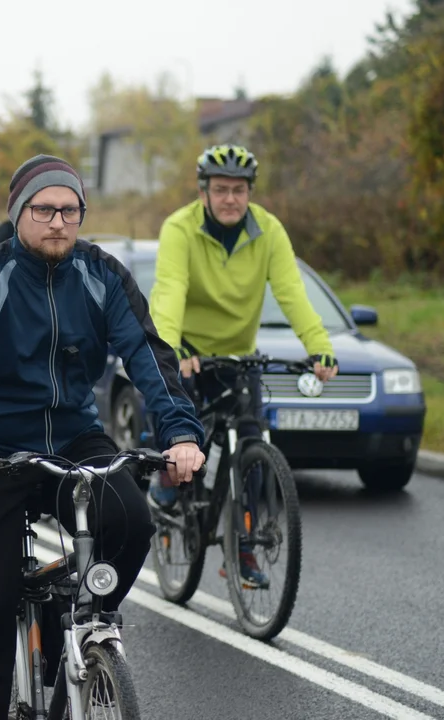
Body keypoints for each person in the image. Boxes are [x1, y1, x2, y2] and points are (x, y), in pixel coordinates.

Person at [0, 154, 206, 720]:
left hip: (73, 438)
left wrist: (180, 433)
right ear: (20, 212)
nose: (57, 222)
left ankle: (76, 628)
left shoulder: (102, 274)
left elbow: (147, 354)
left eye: (69, 210)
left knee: (130, 521)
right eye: (44, 209)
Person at [148, 144, 338, 587]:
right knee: (178, 426)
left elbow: (291, 291)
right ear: (203, 192)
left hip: (236, 353)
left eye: (238, 190)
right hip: (190, 348)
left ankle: (245, 554)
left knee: (252, 447)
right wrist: (170, 349)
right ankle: (165, 484)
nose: (230, 199)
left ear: (250, 192)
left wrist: (320, 347)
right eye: (220, 190)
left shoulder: (269, 230)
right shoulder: (180, 228)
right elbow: (171, 289)